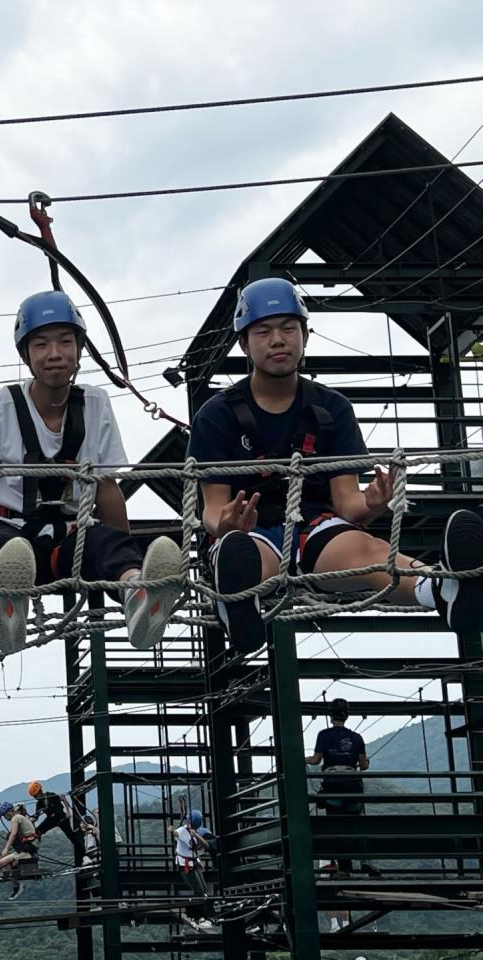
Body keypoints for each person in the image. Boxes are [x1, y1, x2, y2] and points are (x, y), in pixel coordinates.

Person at [187, 277, 483, 653]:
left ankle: (441, 588)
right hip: (251, 530)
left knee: (370, 552)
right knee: (244, 558)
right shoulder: (218, 414)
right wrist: (225, 526)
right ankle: (238, 601)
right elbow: (211, 506)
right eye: (263, 331)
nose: (278, 340)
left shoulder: (331, 409)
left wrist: (373, 501)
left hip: (314, 527)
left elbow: (345, 503)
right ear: (244, 343)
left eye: (288, 329)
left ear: (305, 336)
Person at [0, 291, 185, 654]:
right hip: (11, 529)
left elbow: (106, 490)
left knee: (105, 544)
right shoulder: (0, 406)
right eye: (41, 344)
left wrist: (120, 554)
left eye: (66, 342)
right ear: (26, 355)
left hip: (71, 540)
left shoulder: (95, 404)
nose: (54, 353)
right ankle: (9, 605)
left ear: (80, 350)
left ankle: (138, 592)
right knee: (4, 550)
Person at [306, 697, 368, 876]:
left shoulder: (324, 735)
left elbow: (316, 760)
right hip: (353, 785)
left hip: (332, 783)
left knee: (335, 825)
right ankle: (363, 861)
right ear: (347, 716)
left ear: (330, 716)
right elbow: (363, 766)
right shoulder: (357, 738)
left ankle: (343, 868)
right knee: (353, 825)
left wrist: (304, 760)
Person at [176, 810, 216, 932]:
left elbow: (205, 847)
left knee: (202, 890)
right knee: (200, 890)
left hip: (189, 864)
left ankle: (202, 916)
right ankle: (200, 917)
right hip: (187, 865)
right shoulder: (187, 835)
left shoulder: (204, 836)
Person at [0, 801, 40, 900]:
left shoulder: (15, 818)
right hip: (28, 849)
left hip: (27, 851)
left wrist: (6, 848)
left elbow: (14, 834)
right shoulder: (20, 817)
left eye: (5, 815)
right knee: (2, 863)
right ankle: (16, 881)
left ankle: (17, 885)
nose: (5, 818)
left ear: (9, 812)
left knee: (1, 863)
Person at [28, 780, 82, 851]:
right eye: (35, 796)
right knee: (37, 831)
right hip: (51, 819)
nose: (36, 798)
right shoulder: (39, 803)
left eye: (36, 795)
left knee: (71, 836)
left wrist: (68, 812)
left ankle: (83, 851)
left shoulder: (51, 795)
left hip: (61, 817)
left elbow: (63, 798)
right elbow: (36, 815)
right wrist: (31, 820)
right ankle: (33, 848)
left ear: (40, 791)